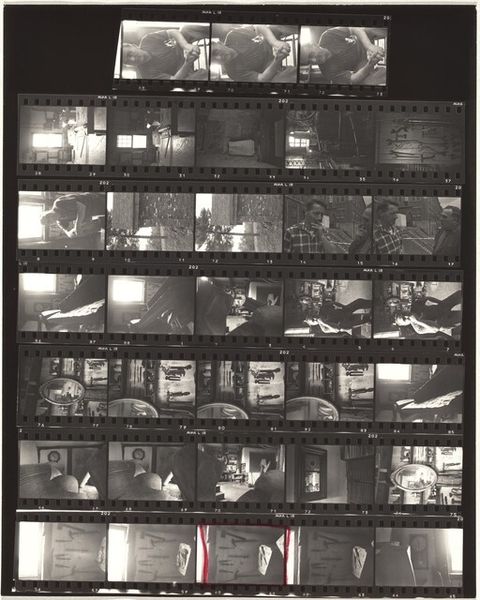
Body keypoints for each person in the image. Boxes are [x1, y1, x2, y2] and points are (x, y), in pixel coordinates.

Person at [210, 24, 298, 83]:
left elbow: (259, 26)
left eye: (215, 52)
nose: (219, 58)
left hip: (271, 39)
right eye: (215, 61)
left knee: (278, 24)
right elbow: (261, 79)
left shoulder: (232, 35)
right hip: (272, 66)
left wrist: (274, 42)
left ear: (219, 43)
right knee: (281, 81)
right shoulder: (233, 72)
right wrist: (277, 61)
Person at [301, 26, 386, 85]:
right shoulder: (327, 72)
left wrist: (369, 46)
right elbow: (352, 79)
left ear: (314, 45)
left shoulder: (327, 36)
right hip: (361, 63)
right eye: (309, 61)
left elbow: (353, 29)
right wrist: (370, 64)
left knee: (369, 28)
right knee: (366, 83)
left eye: (311, 55)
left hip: (362, 42)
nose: (314, 60)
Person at [122, 25, 210, 80]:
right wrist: (187, 63)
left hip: (182, 47)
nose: (132, 59)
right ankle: (214, 77)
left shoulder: (147, 40)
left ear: (133, 46)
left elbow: (172, 32)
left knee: (186, 28)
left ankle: (214, 29)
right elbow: (174, 80)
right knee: (190, 81)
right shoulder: (147, 75)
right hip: (184, 70)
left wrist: (186, 45)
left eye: (129, 54)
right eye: (128, 61)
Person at [394, 289, 462, 338]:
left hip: (441, 307)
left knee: (460, 294)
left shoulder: (414, 306)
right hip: (446, 320)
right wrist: (418, 321)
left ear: (404, 310)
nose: (406, 316)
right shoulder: (418, 329)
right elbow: (436, 328)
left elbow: (427, 298)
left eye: (403, 314)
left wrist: (440, 302)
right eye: (404, 319)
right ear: (406, 324)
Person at [40, 193, 105, 239]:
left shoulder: (58, 203)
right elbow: (69, 234)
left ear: (48, 212)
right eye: (49, 222)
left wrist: (77, 225)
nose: (51, 220)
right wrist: (75, 232)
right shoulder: (60, 222)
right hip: (94, 211)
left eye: (47, 217)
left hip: (95, 200)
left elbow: (82, 207)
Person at [305, 298, 372, 336]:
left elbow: (333, 304)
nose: (315, 318)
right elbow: (337, 329)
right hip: (347, 323)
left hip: (345, 312)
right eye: (313, 320)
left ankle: (374, 303)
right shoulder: (324, 329)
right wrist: (324, 322)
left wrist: (343, 308)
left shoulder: (324, 308)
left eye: (313, 316)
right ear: (314, 324)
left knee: (359, 302)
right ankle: (367, 320)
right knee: (343, 325)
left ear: (314, 313)